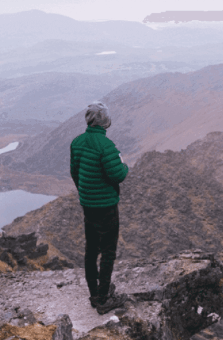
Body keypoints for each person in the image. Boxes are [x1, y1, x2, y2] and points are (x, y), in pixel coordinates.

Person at [70, 102, 129, 314]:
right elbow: (118, 175)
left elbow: (75, 173)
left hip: (88, 206)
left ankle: (94, 293)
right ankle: (103, 299)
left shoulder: (77, 142)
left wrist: (85, 194)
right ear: (106, 121)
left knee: (91, 250)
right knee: (108, 252)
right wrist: (124, 164)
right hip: (106, 206)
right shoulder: (106, 146)